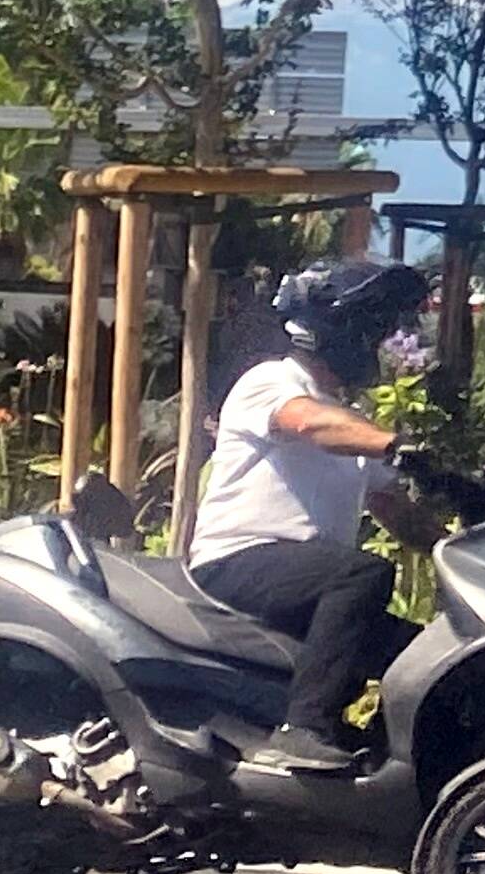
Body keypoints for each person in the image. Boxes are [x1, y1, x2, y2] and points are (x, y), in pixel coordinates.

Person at [183, 260, 441, 773]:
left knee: (426, 659)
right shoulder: (271, 382)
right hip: (237, 564)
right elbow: (306, 422)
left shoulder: (352, 423)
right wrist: (396, 444)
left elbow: (397, 512)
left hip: (303, 584)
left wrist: (475, 538)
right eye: (374, 327)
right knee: (363, 572)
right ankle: (302, 730)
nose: (383, 340)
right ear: (336, 329)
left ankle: (378, 772)